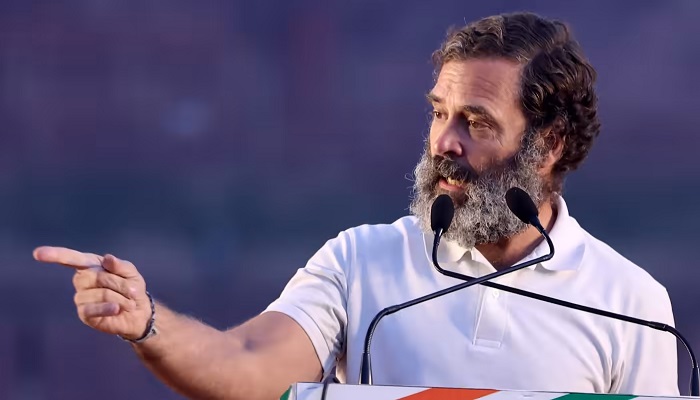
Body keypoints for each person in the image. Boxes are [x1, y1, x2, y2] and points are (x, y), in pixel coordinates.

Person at [33, 11, 679, 399]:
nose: (444, 143)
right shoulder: (363, 262)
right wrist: (150, 324)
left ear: (549, 144)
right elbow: (249, 366)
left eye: (475, 122)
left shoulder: (633, 305)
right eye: (439, 113)